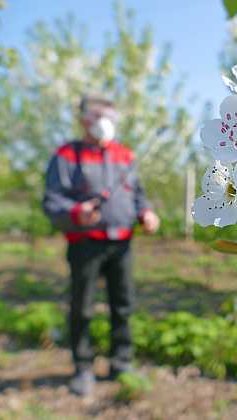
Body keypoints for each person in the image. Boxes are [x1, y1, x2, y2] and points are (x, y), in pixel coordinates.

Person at [42, 95, 160, 396]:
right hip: (85, 245)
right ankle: (82, 367)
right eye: (99, 116)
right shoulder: (67, 155)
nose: (107, 123)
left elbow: (138, 194)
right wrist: (75, 213)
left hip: (121, 243)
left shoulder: (124, 155)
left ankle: (121, 362)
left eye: (111, 116)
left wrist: (145, 212)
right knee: (82, 307)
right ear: (84, 121)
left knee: (123, 305)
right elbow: (53, 199)